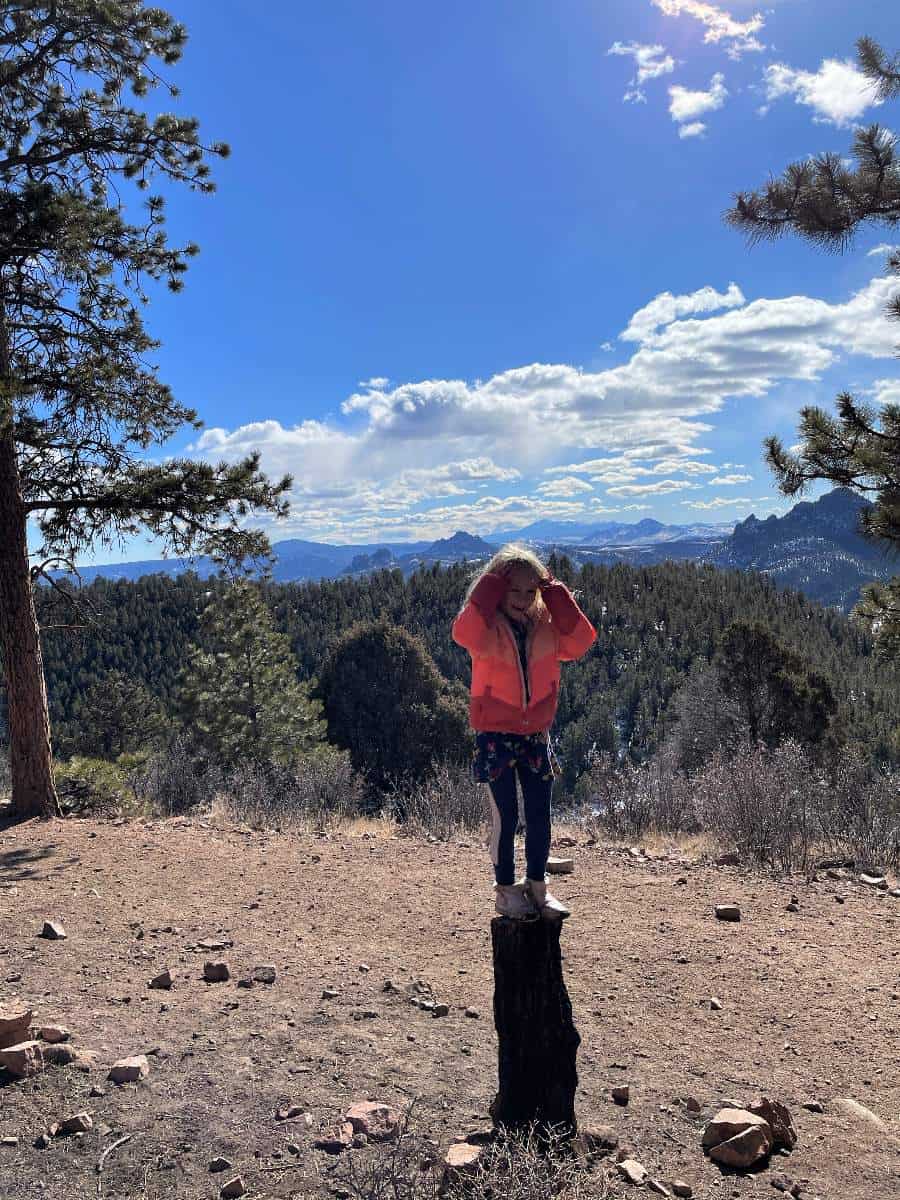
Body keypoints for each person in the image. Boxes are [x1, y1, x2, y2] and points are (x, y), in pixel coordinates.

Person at [451, 546, 596, 920]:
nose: (521, 599)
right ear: (498, 589)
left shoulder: (547, 625)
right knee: (506, 817)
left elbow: (582, 639)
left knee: (539, 815)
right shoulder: (485, 630)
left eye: (529, 591)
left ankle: (538, 889)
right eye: (511, 590)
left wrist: (553, 589)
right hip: (495, 735)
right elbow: (462, 632)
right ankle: (505, 891)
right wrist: (489, 584)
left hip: (535, 733)